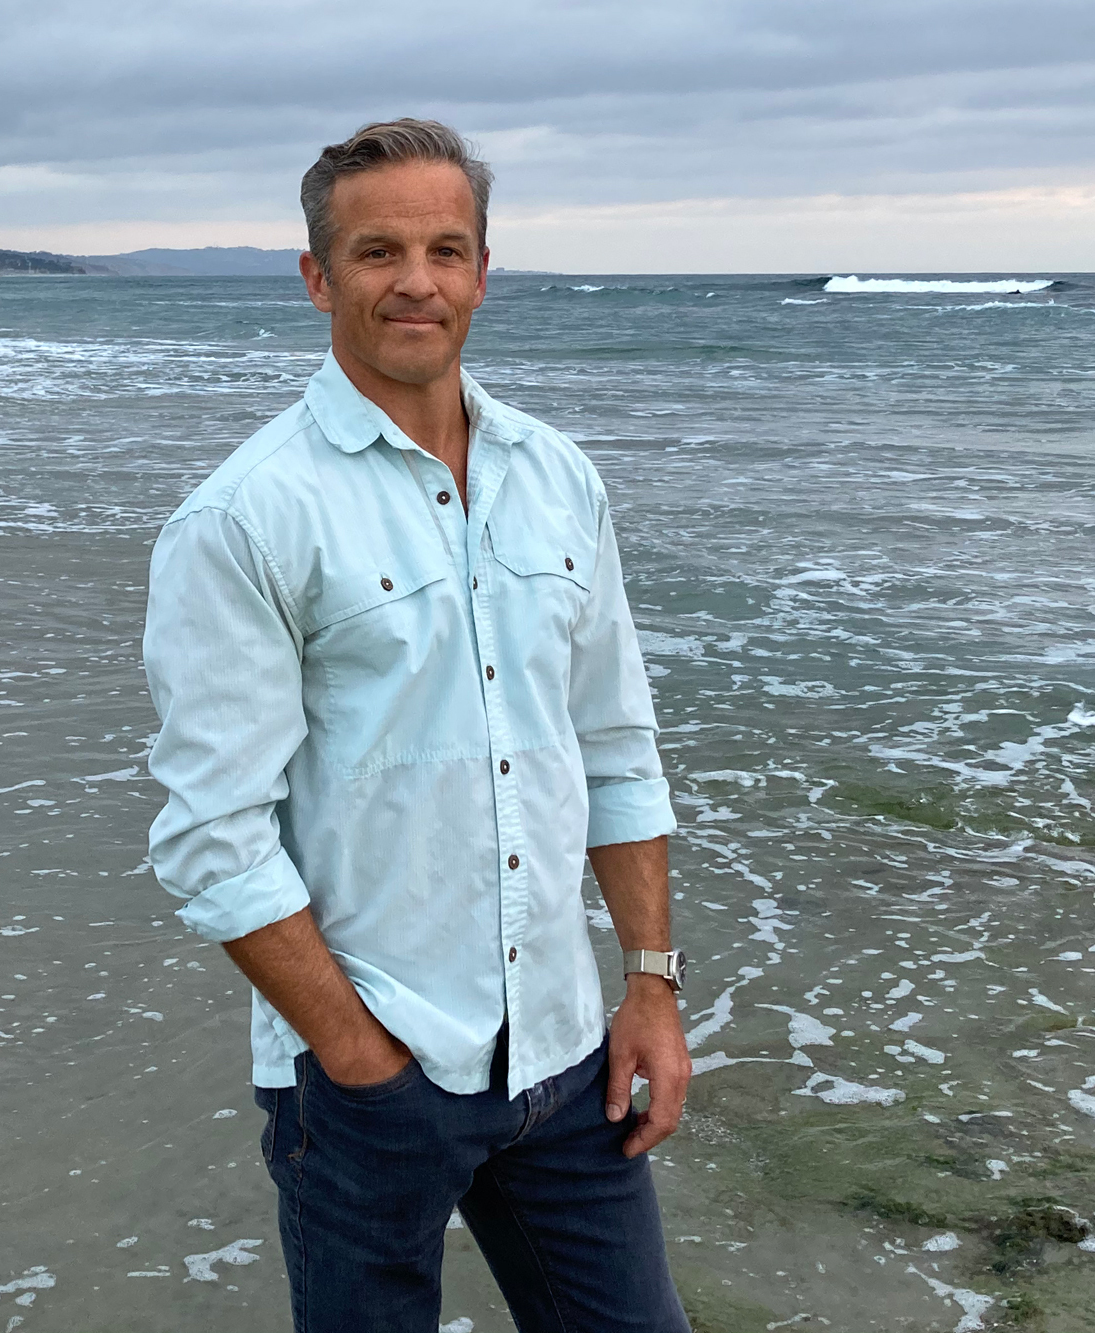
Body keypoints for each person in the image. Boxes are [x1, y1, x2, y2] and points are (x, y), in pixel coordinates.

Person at [142, 118, 692, 1333]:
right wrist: (355, 1056)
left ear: (484, 271)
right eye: (377, 250)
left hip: (562, 1056)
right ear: (317, 277)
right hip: (369, 1079)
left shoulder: (558, 477)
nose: (416, 282)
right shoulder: (245, 517)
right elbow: (212, 834)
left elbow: (614, 746)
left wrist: (648, 989)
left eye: (447, 249)